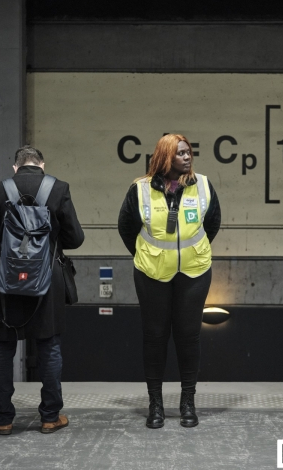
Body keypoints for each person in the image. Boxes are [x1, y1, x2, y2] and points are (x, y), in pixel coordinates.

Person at [0, 146, 84, 435]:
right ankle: (49, 417)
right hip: (47, 282)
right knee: (49, 347)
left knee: (3, 348)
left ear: (15, 167)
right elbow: (75, 237)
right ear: (42, 165)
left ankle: (4, 419)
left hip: (4, 282)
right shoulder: (59, 189)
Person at [118, 134, 221, 429]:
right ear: (165, 157)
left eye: (189, 152)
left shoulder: (202, 185)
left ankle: (188, 402)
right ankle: (156, 405)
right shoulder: (140, 189)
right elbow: (126, 228)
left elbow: (212, 222)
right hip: (151, 273)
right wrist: (149, 254)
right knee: (154, 337)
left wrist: (189, 252)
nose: (187, 157)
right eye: (181, 153)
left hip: (194, 272)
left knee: (189, 338)